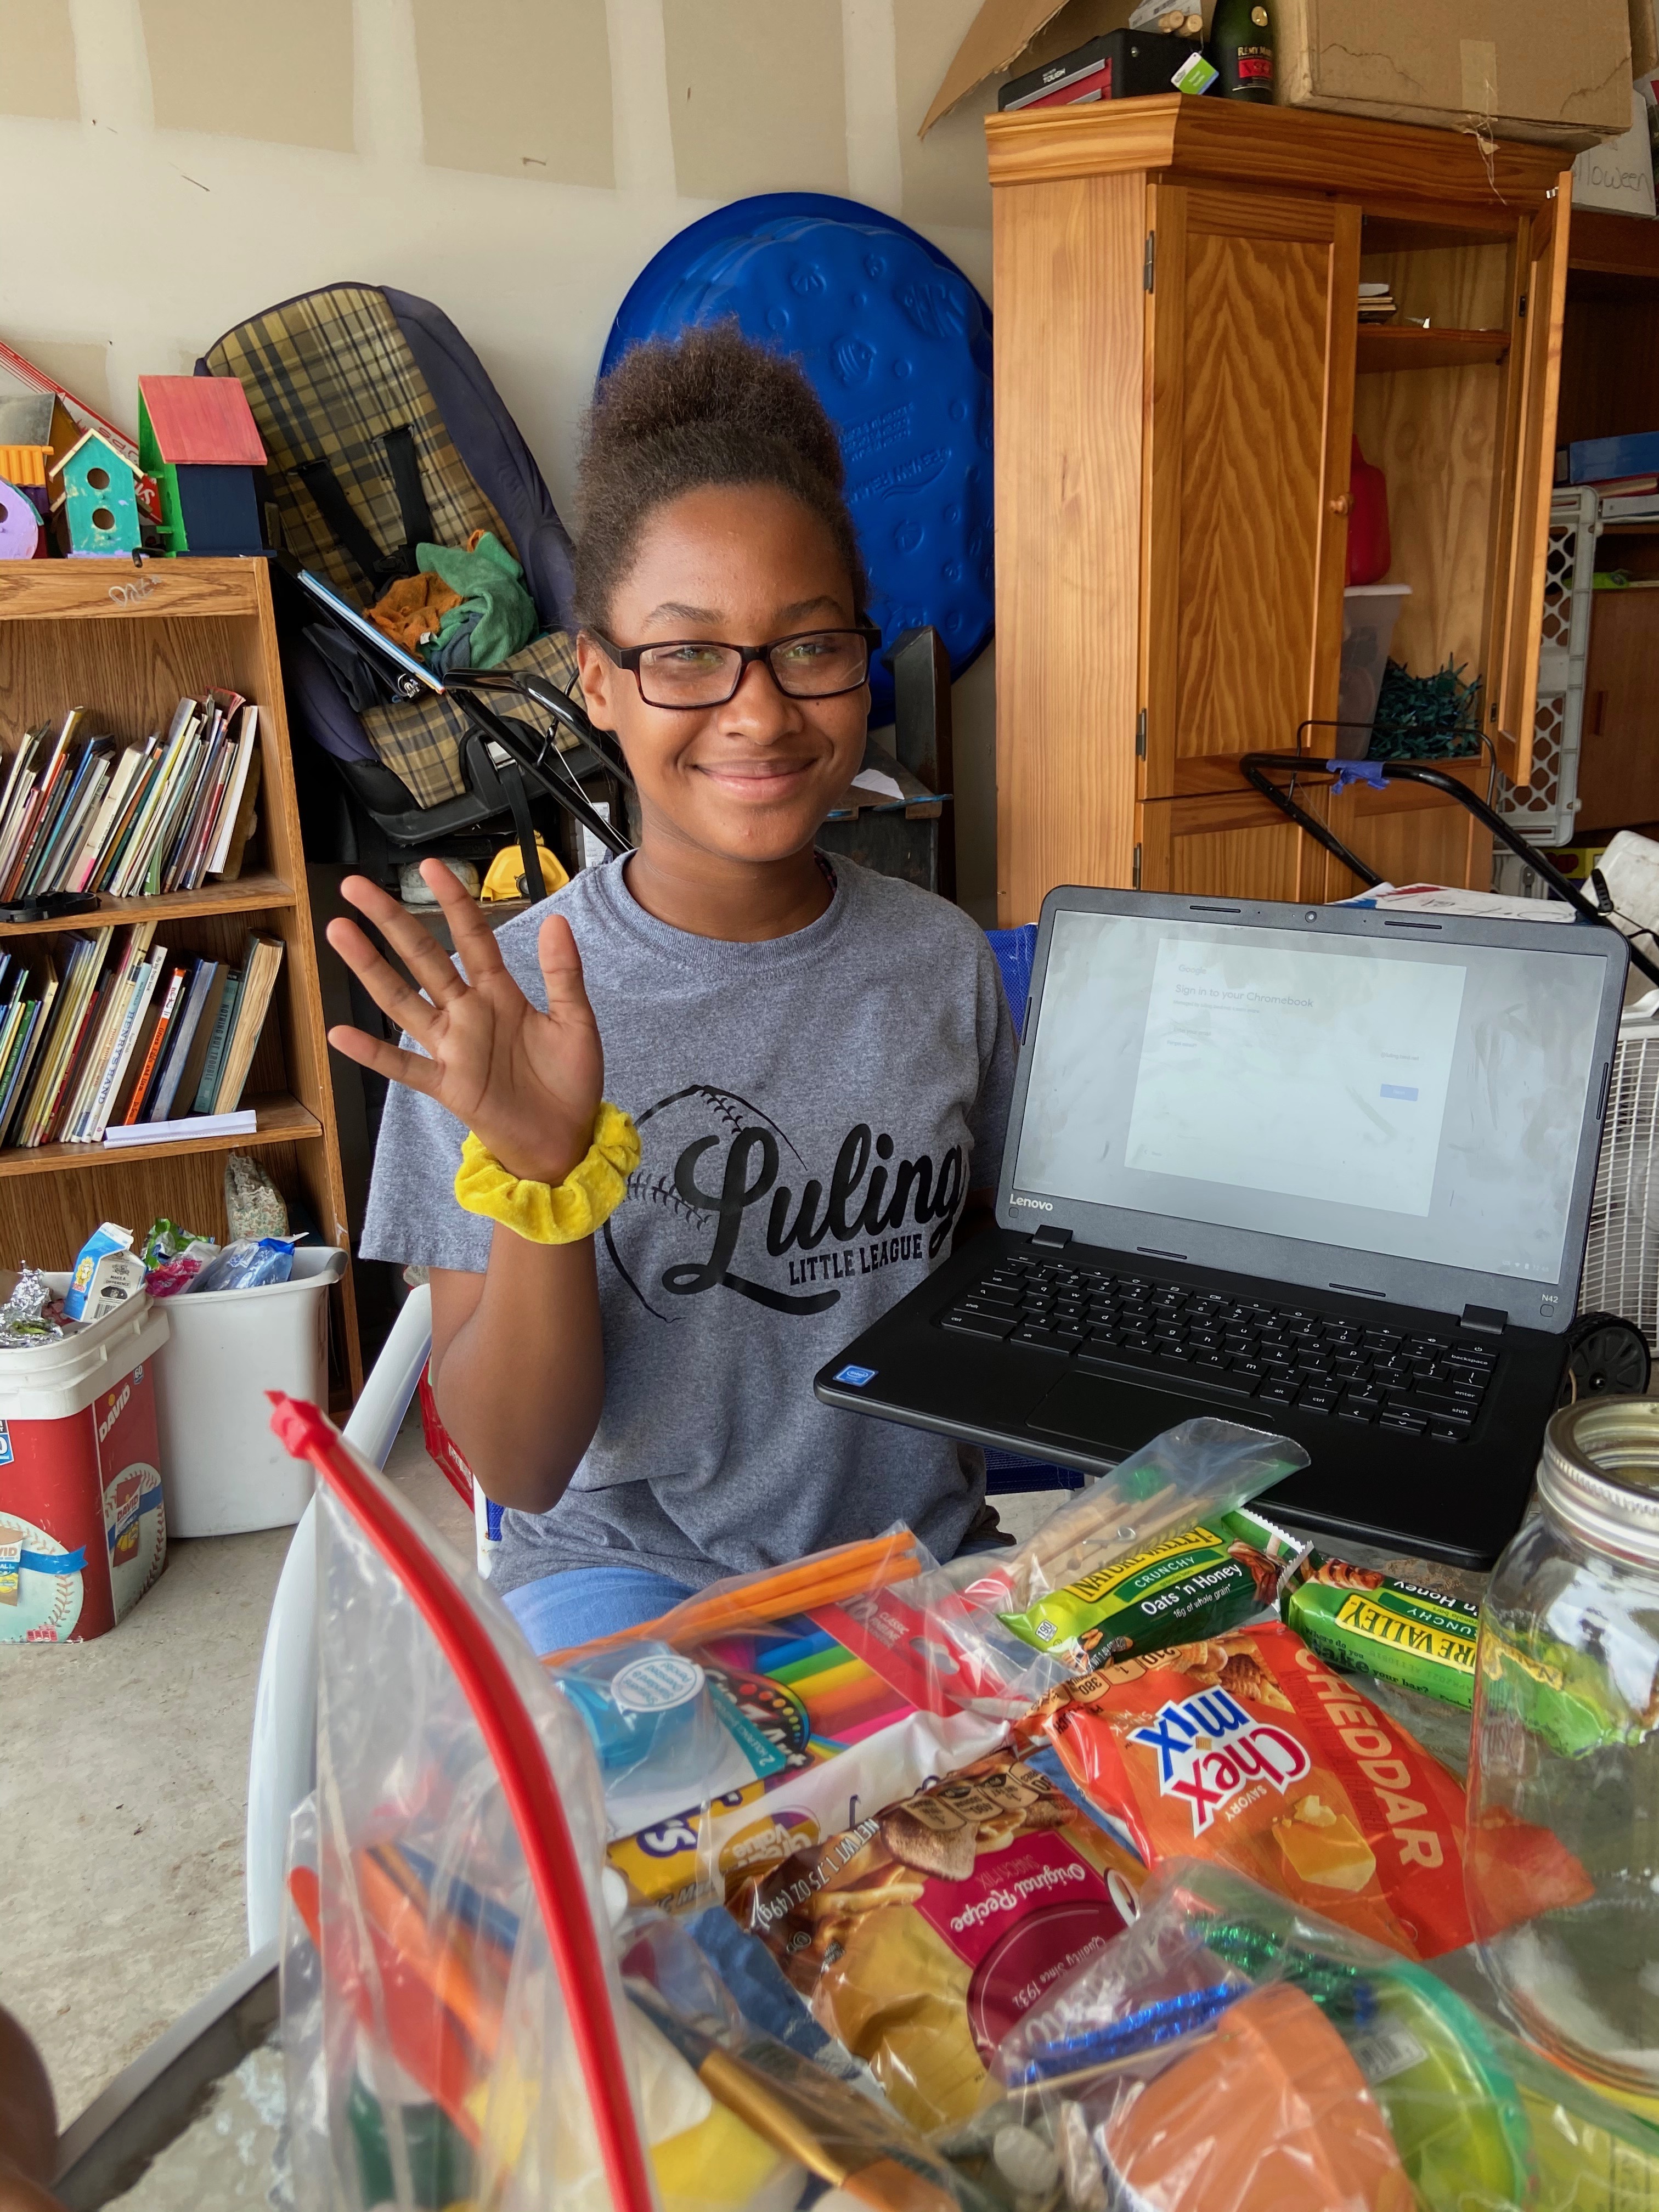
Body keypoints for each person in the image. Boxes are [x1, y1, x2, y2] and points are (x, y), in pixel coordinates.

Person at [331, 324, 1015, 1656]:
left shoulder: (941, 961)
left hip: (915, 1571)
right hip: (629, 1580)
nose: (758, 714)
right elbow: (518, 1468)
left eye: (808, 646)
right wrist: (543, 1166)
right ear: (596, 679)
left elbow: (992, 1281)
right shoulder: (501, 1011)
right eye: (687, 655)